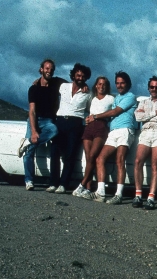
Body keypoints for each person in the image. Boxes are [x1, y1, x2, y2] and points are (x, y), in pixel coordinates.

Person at [82, 71, 137, 204]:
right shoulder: (116, 97)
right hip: (113, 131)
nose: (119, 85)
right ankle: (100, 192)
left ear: (128, 84)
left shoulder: (131, 96)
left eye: (122, 83)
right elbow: (104, 105)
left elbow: (115, 112)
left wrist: (94, 116)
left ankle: (118, 195)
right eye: (117, 83)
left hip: (125, 130)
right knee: (100, 158)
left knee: (120, 160)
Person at [18, 59, 65, 191]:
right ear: (41, 69)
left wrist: (83, 86)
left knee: (54, 130)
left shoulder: (56, 83)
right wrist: (34, 131)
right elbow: (32, 111)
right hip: (35, 119)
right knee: (29, 152)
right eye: (47, 68)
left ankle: (26, 142)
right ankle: (29, 180)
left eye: (51, 69)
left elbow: (72, 85)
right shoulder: (33, 88)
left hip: (48, 121)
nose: (49, 71)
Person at [46, 63, 92, 194]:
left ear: (86, 78)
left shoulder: (88, 93)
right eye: (78, 75)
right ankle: (53, 183)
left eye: (83, 76)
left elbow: (89, 110)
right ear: (73, 75)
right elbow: (50, 81)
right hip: (60, 120)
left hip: (76, 123)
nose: (80, 77)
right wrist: (38, 80)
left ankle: (63, 184)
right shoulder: (63, 86)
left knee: (70, 155)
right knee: (54, 152)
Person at [132, 76, 157, 210]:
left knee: (155, 164)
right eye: (152, 87)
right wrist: (155, 112)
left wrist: (147, 114)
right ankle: (138, 195)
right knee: (138, 161)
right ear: (149, 88)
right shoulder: (142, 102)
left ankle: (151, 197)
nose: (154, 89)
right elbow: (138, 117)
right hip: (146, 132)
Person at [72, 76, 114, 198]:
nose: (101, 86)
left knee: (92, 156)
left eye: (104, 84)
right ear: (96, 85)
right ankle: (88, 189)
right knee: (88, 158)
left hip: (101, 127)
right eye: (99, 84)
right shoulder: (92, 97)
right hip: (89, 127)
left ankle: (82, 184)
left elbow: (113, 112)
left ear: (107, 87)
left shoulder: (111, 98)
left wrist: (97, 117)